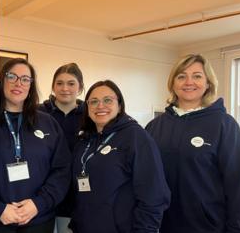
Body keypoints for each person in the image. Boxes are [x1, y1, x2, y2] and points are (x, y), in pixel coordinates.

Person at [145, 54, 240, 233]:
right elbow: (145, 180)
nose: (189, 82)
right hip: (161, 226)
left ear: (208, 83)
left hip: (209, 227)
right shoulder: (154, 127)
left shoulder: (224, 125)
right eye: (181, 76)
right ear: (172, 83)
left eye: (197, 76)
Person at [70, 80, 170, 233]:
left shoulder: (136, 137)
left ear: (120, 105)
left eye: (108, 100)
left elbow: (153, 193)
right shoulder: (85, 140)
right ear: (87, 107)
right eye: (93, 101)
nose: (100, 106)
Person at [0, 58, 71, 233]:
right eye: (12, 76)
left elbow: (62, 170)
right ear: (1, 81)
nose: (18, 83)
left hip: (40, 218)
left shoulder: (47, 123)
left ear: (31, 85)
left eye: (25, 79)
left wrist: (39, 203)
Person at [38, 63, 85, 233]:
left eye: (71, 83)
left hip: (77, 199)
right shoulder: (37, 114)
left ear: (80, 87)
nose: (65, 88)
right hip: (42, 196)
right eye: (59, 83)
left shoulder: (91, 116)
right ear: (53, 86)